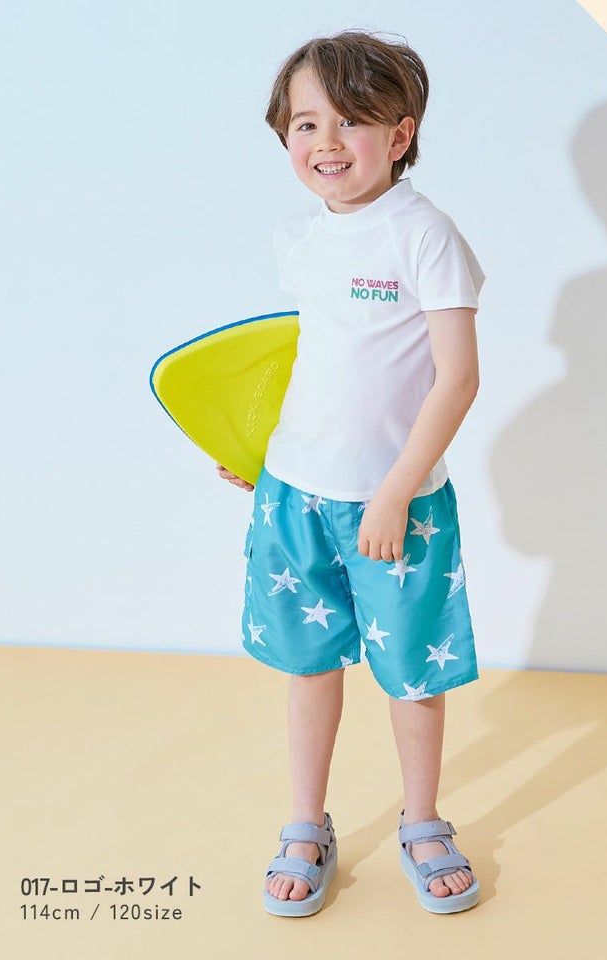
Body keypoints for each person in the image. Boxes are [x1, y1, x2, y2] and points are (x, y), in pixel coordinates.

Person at [218, 30, 484, 916]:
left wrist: (397, 490)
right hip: (293, 494)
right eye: (305, 124)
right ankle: (306, 822)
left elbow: (457, 378)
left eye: (350, 121)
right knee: (309, 666)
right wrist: (258, 454)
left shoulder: (425, 235)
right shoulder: (298, 241)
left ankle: (422, 820)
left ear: (400, 136)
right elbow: (315, 361)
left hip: (396, 503)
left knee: (413, 673)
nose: (325, 142)